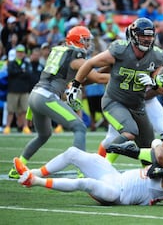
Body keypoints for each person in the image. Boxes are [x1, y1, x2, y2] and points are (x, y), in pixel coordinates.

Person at [8, 26, 110, 179]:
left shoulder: (59, 50)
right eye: (86, 40)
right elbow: (97, 78)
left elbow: (81, 79)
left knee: (44, 135)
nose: (89, 44)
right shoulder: (75, 54)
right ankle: (83, 171)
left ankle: (18, 167)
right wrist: (124, 78)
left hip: (35, 95)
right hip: (47, 97)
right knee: (80, 127)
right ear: (77, 41)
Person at [69, 18, 163, 165]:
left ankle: (147, 177)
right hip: (114, 102)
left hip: (137, 105)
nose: (147, 39)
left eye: (150, 35)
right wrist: (76, 85)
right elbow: (90, 63)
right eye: (143, 35)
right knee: (130, 131)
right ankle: (99, 163)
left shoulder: (156, 55)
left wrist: (153, 84)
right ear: (133, 35)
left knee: (148, 149)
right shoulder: (120, 50)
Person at [13, 139, 163, 206]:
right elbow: (162, 160)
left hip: (117, 194)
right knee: (73, 153)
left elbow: (162, 156)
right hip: (116, 177)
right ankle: (33, 171)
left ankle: (34, 180)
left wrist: (158, 142)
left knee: (86, 183)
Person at [3, 44, 32, 135]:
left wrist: (18, 72)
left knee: (24, 111)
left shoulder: (26, 63)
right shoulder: (11, 63)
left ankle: (25, 127)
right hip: (13, 90)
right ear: (16, 53)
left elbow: (28, 74)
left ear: (24, 53)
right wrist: (21, 72)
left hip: (24, 90)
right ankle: (7, 126)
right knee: (11, 111)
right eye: (19, 52)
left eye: (22, 52)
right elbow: (11, 72)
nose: (20, 54)